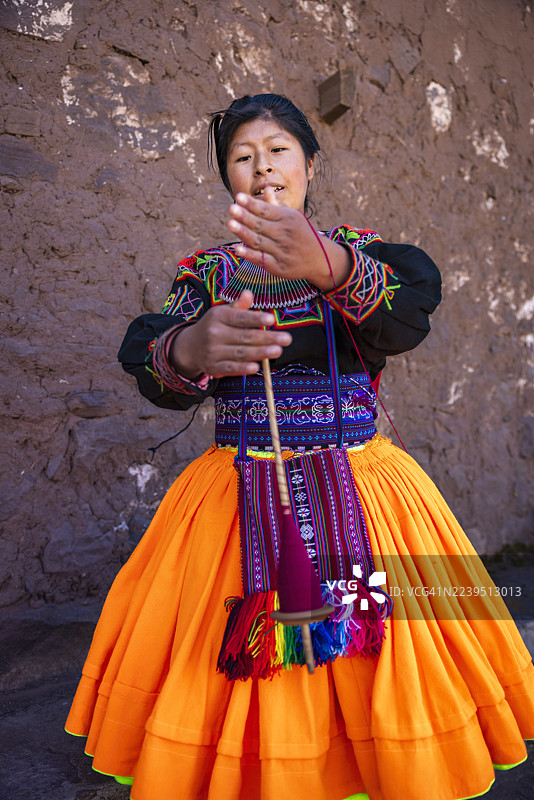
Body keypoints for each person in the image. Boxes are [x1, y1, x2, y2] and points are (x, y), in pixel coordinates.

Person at [66, 93, 534, 800]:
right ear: (228, 180)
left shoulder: (358, 253)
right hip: (237, 491)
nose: (262, 169)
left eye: (278, 151)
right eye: (241, 158)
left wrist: (331, 265)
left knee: (383, 654)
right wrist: (193, 345)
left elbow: (405, 319)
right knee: (225, 666)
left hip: (364, 487)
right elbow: (157, 364)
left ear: (311, 164)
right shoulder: (209, 277)